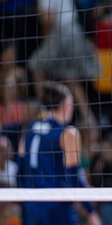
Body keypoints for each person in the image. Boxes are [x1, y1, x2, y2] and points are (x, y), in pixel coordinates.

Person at [17, 83, 101, 225]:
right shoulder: (68, 133)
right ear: (65, 105)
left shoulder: (29, 127)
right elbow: (73, 177)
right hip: (56, 205)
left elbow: (20, 167)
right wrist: (90, 211)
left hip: (30, 204)